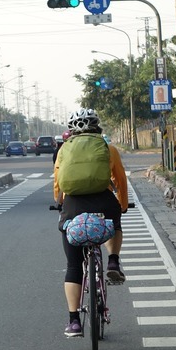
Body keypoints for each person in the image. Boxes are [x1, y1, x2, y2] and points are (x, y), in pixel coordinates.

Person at [53, 108, 128, 337]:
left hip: (73, 205)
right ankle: (113, 261)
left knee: (74, 266)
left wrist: (59, 203)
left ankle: (74, 321)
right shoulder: (108, 148)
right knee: (114, 222)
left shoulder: (64, 150)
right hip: (103, 202)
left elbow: (58, 184)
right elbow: (120, 179)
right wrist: (122, 206)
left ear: (71, 131)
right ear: (98, 127)